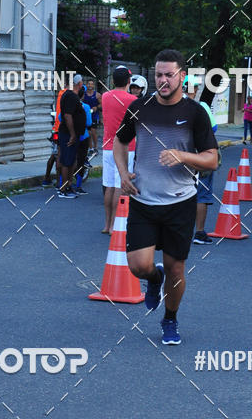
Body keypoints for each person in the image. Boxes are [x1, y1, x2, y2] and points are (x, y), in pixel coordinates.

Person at [114, 48, 218, 346]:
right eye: (158, 74)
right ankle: (153, 279)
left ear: (181, 76)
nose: (163, 80)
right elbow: (119, 144)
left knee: (176, 267)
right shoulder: (139, 107)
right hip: (143, 200)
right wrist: (123, 174)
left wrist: (182, 155)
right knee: (137, 266)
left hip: (180, 203)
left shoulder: (195, 112)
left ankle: (170, 318)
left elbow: (212, 160)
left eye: (169, 75)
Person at [182, 75, 218, 245]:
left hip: (180, 157)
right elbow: (214, 128)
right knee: (201, 194)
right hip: (201, 156)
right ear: (195, 89)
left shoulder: (174, 106)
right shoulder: (202, 106)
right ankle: (199, 232)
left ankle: (179, 230)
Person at [101, 66, 137, 233]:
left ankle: (107, 224)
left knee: (108, 185)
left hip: (108, 145)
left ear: (113, 80)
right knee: (119, 186)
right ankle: (115, 225)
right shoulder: (132, 99)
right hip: (125, 146)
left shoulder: (105, 97)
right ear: (128, 81)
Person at [57, 73, 86, 198]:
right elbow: (68, 116)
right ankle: (64, 189)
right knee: (66, 161)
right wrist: (73, 134)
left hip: (72, 134)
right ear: (79, 84)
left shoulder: (71, 95)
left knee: (71, 161)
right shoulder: (70, 96)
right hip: (68, 134)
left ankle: (68, 185)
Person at [75, 86, 92, 193]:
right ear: (83, 95)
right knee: (81, 161)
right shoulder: (86, 107)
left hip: (70, 136)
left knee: (68, 160)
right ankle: (78, 186)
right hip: (83, 136)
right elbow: (89, 123)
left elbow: (60, 118)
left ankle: (61, 184)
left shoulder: (68, 105)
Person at [83, 78, 102, 155]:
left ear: (94, 85)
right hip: (86, 116)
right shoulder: (83, 94)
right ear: (86, 85)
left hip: (94, 115)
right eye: (88, 84)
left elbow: (102, 104)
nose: (90, 85)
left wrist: (96, 107)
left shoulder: (97, 95)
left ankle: (96, 148)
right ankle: (90, 148)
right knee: (88, 132)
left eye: (91, 84)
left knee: (93, 132)